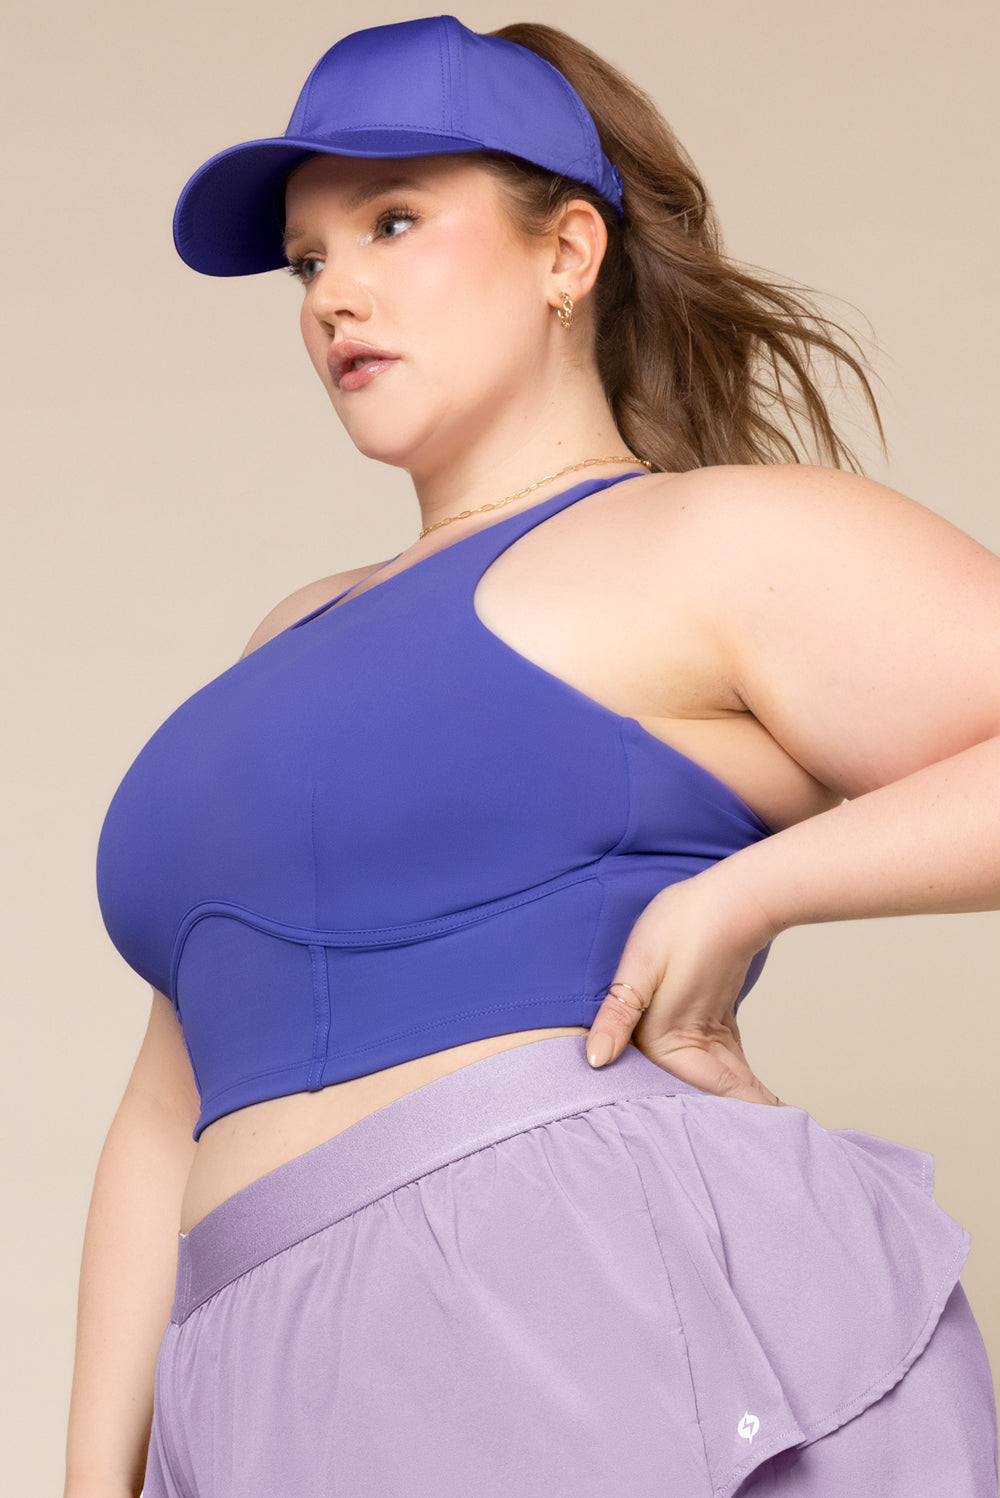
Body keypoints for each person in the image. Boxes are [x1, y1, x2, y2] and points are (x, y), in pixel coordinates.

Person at [64, 15, 999, 1498]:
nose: (334, 293)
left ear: (568, 253)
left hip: (577, 1317)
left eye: (392, 221)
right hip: (256, 1389)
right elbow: (166, 1103)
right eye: (306, 261)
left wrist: (746, 893)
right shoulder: (282, 638)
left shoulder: (711, 538)